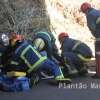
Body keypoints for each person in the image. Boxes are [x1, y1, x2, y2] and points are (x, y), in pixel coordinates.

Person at [0, 33, 71, 92]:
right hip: (40, 61)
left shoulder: (16, 52)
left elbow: (14, 63)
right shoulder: (28, 43)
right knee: (54, 66)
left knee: (36, 72)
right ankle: (59, 77)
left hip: (30, 68)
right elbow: (39, 51)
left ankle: (35, 78)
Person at [80, 2, 100, 77]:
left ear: (85, 10)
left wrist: (95, 35)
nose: (85, 14)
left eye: (84, 12)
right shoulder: (98, 11)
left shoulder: (90, 15)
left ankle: (98, 74)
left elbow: (92, 27)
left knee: (98, 55)